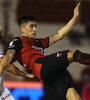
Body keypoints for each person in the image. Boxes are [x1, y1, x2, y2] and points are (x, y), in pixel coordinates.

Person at [1, 2, 89, 100]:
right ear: (22, 28)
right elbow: (8, 57)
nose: (34, 29)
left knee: (73, 95)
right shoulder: (18, 41)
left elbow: (59, 35)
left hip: (49, 73)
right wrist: (1, 70)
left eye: (35, 26)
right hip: (41, 66)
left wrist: (75, 18)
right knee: (73, 54)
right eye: (31, 26)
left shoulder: (38, 42)